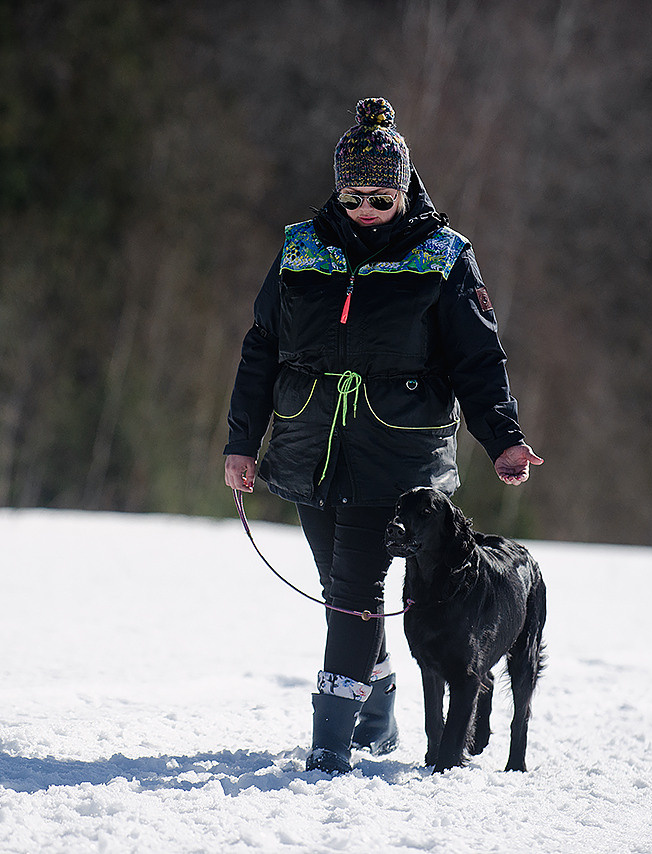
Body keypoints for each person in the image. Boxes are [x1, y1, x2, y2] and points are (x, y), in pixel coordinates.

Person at [223, 97, 543, 774]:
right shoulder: (300, 248)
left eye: (380, 199)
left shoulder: (444, 256)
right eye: (352, 197)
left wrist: (503, 439)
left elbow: (478, 359)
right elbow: (261, 348)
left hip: (398, 459)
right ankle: (378, 716)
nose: (365, 210)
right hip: (311, 451)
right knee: (340, 588)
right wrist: (242, 441)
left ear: (404, 190)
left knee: (353, 593)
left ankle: (331, 745)